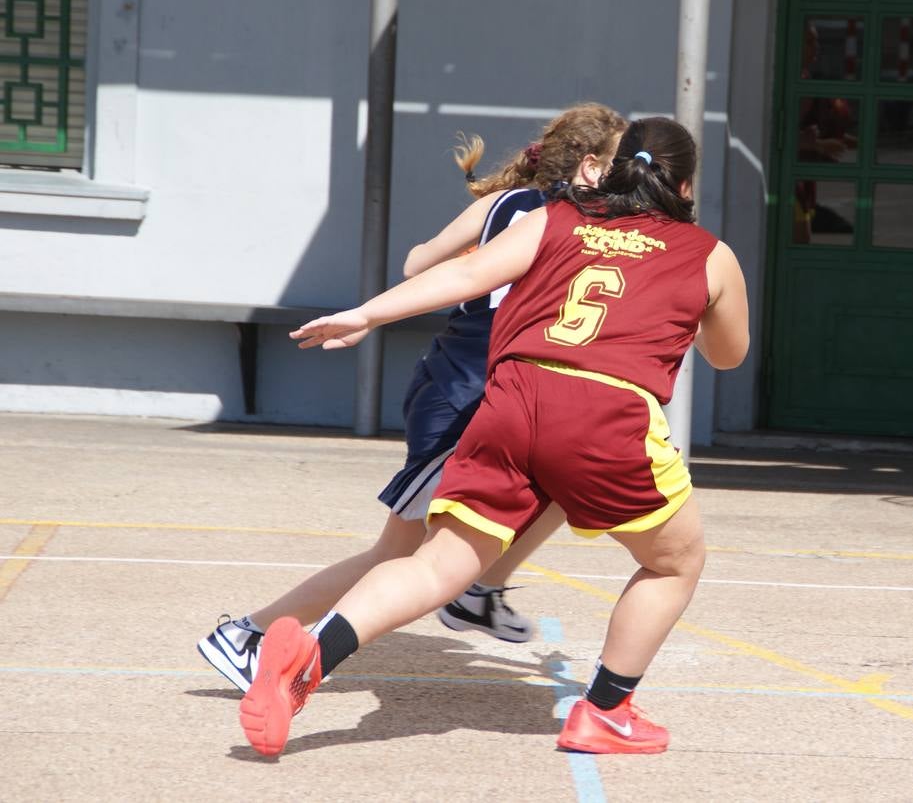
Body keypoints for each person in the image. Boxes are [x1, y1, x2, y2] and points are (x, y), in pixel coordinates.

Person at [239, 116, 749, 757]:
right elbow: (729, 356)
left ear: (608, 171)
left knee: (436, 565)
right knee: (674, 561)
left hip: (512, 400)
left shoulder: (552, 218)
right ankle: (606, 713)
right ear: (684, 184)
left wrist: (367, 312)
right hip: (605, 414)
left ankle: (312, 655)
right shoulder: (707, 253)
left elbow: (459, 276)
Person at [197, 103, 628, 693]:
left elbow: (417, 262)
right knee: (394, 556)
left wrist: (482, 262)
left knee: (559, 485)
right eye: (620, 161)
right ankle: (248, 634)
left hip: (460, 380)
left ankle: (477, 591)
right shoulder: (575, 223)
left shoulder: (500, 207)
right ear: (589, 169)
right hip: (470, 391)